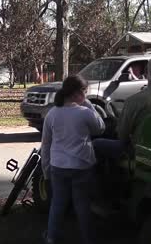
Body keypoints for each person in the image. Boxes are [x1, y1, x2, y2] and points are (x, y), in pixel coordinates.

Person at [41, 75, 105, 244]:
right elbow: (100, 128)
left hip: (58, 166)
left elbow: (45, 144)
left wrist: (46, 169)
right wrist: (90, 105)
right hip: (81, 166)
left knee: (58, 204)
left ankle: (51, 237)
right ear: (78, 93)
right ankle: (88, 239)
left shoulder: (52, 113)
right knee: (82, 205)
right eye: (85, 92)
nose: (87, 95)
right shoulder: (84, 113)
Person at [94, 53, 151, 160]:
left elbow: (122, 136)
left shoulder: (134, 101)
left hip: (140, 153)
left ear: (146, 72)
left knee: (96, 144)